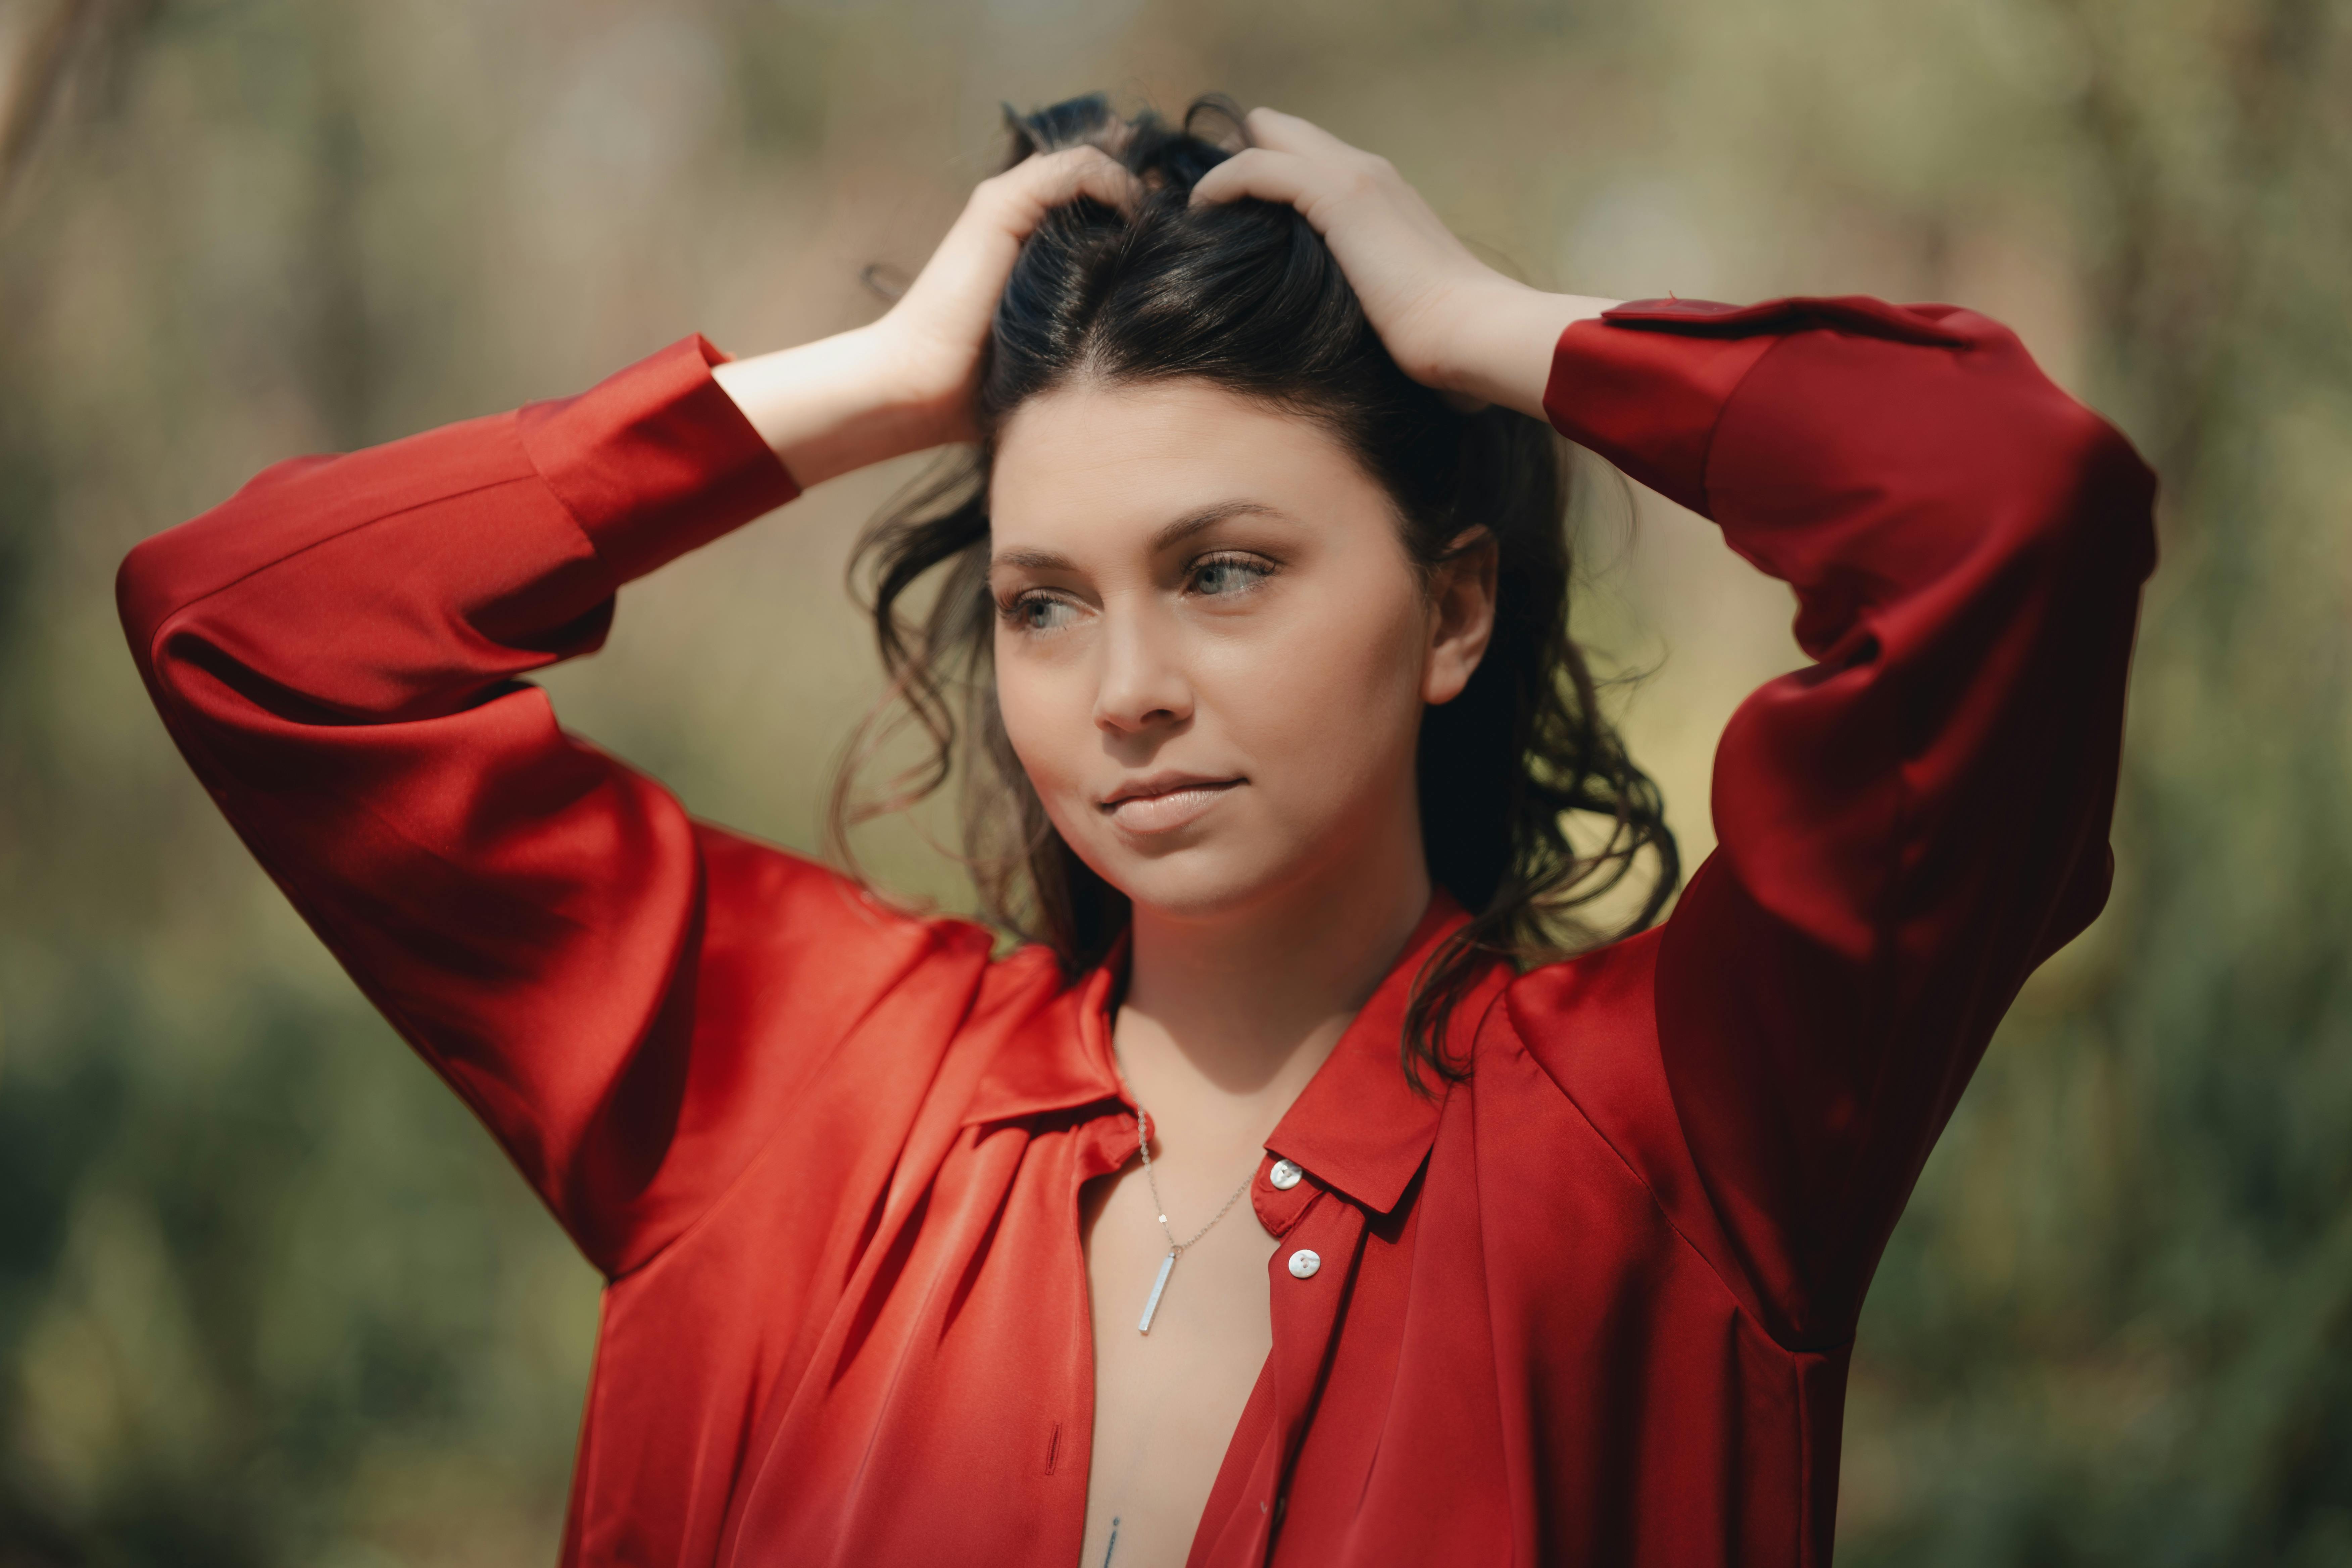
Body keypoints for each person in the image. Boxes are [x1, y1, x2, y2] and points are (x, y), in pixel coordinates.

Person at [116, 94, 2155, 1568]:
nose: (1128, 690)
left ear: (1453, 609)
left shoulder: (1689, 1137)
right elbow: (253, 631)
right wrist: (873, 388)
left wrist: (1495, 331)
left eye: (1229, 570)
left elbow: (2014, 515)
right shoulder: (795, 1091)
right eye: (1044, 601)